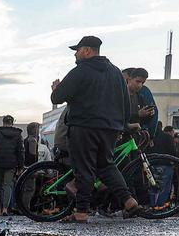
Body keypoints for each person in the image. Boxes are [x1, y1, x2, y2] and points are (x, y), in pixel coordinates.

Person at [50, 36, 139, 222]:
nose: (75, 54)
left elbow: (57, 98)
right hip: (110, 128)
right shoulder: (116, 72)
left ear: (87, 51)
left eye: (78, 50)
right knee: (106, 165)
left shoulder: (80, 71)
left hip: (84, 126)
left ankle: (81, 212)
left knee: (84, 168)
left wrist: (56, 88)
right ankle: (129, 201)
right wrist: (121, 125)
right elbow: (126, 104)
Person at [0, 116, 24, 216]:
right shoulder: (18, 135)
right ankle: (5, 209)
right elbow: (20, 152)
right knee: (8, 186)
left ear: (3, 123)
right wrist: (20, 166)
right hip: (11, 164)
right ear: (12, 123)